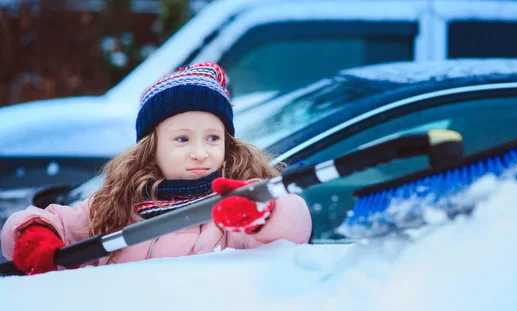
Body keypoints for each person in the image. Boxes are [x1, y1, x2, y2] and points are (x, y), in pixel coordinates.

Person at [1, 62, 312, 275]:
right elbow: (60, 222)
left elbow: (292, 228)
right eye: (182, 139)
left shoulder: (238, 202)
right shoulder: (117, 204)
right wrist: (33, 233)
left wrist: (262, 215)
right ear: (152, 148)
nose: (200, 153)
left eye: (213, 138)